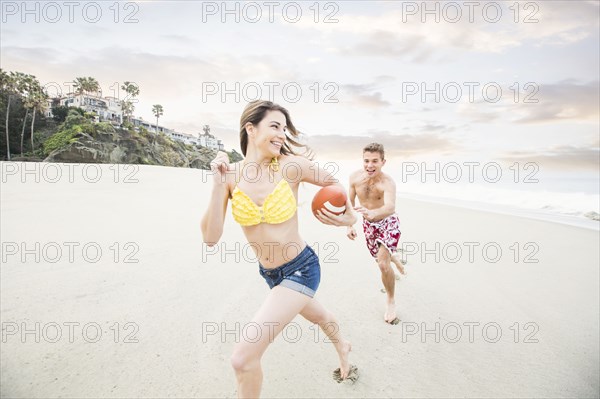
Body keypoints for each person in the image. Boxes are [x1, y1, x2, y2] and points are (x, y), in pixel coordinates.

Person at [201, 100, 358, 398]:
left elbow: (334, 184)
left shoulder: (291, 166)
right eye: (275, 126)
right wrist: (217, 185)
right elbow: (210, 238)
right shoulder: (230, 176)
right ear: (251, 128)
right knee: (320, 317)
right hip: (271, 275)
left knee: (243, 358)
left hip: (302, 268)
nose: (282, 135)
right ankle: (343, 346)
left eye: (284, 129)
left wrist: (348, 218)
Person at [346, 143, 405, 324]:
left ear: (383, 162)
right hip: (369, 225)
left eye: (375, 161)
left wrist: (374, 213)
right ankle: (393, 259)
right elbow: (349, 202)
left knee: (382, 265)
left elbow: (390, 207)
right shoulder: (355, 178)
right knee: (381, 259)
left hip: (388, 222)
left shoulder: (387, 183)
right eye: (366, 161)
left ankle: (390, 300)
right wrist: (349, 225)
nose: (370, 165)